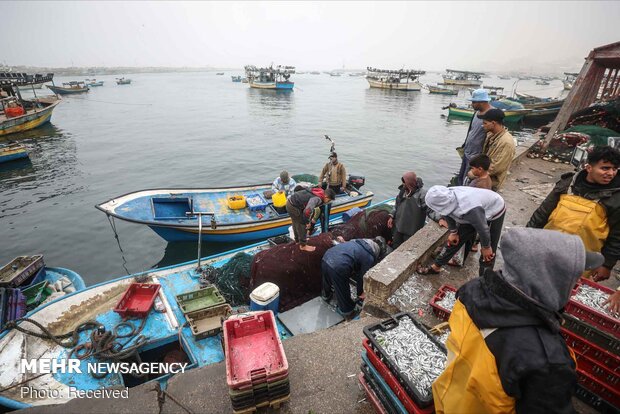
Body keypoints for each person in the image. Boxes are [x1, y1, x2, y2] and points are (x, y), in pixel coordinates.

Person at [433, 228, 603, 414]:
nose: (577, 285)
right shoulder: (546, 360)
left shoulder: (471, 291)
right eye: (573, 278)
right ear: (549, 280)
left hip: (449, 399)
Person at [527, 145, 620, 282]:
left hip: (581, 260)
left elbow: (617, 236)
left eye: (614, 169)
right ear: (589, 168)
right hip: (547, 250)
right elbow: (542, 212)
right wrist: (527, 236)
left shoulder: (616, 198)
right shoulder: (568, 184)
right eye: (605, 168)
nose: (611, 173)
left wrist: (607, 265)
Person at [417, 185, 505, 276]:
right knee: (455, 240)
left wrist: (486, 247)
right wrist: (454, 232)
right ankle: (436, 267)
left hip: (494, 208)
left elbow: (483, 228)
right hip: (473, 210)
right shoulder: (446, 197)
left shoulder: (469, 208)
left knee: (488, 254)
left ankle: (484, 280)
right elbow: (446, 213)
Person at [321, 236, 390, 318]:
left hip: (327, 256)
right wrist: (361, 292)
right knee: (342, 288)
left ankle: (326, 295)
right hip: (339, 266)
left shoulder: (357, 242)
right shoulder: (369, 257)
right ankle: (346, 311)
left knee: (327, 278)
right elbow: (362, 277)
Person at [387, 171, 437, 249]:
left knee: (408, 250)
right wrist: (391, 215)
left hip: (411, 231)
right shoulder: (403, 191)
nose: (403, 184)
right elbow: (397, 204)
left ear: (410, 182)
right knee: (396, 247)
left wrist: (440, 218)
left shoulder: (423, 195)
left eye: (404, 182)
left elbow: (431, 210)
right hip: (398, 227)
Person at [456, 89, 492, 186]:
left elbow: (491, 138)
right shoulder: (476, 113)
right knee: (461, 177)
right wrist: (465, 144)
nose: (472, 104)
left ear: (481, 102)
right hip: (467, 152)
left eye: (473, 102)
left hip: (476, 156)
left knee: (468, 181)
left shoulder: (491, 115)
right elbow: (471, 130)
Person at [286, 187, 336, 252]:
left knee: (296, 222)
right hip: (294, 207)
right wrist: (307, 222)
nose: (327, 202)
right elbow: (307, 211)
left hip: (290, 202)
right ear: (326, 196)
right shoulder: (317, 198)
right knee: (302, 224)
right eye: (328, 200)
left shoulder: (319, 191)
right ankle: (303, 245)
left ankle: (297, 241)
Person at [479, 108, 516, 191]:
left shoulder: (506, 142)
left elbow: (496, 167)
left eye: (485, 123)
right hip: (484, 180)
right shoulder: (490, 135)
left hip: (492, 184)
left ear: (493, 123)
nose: (483, 125)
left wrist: (476, 173)